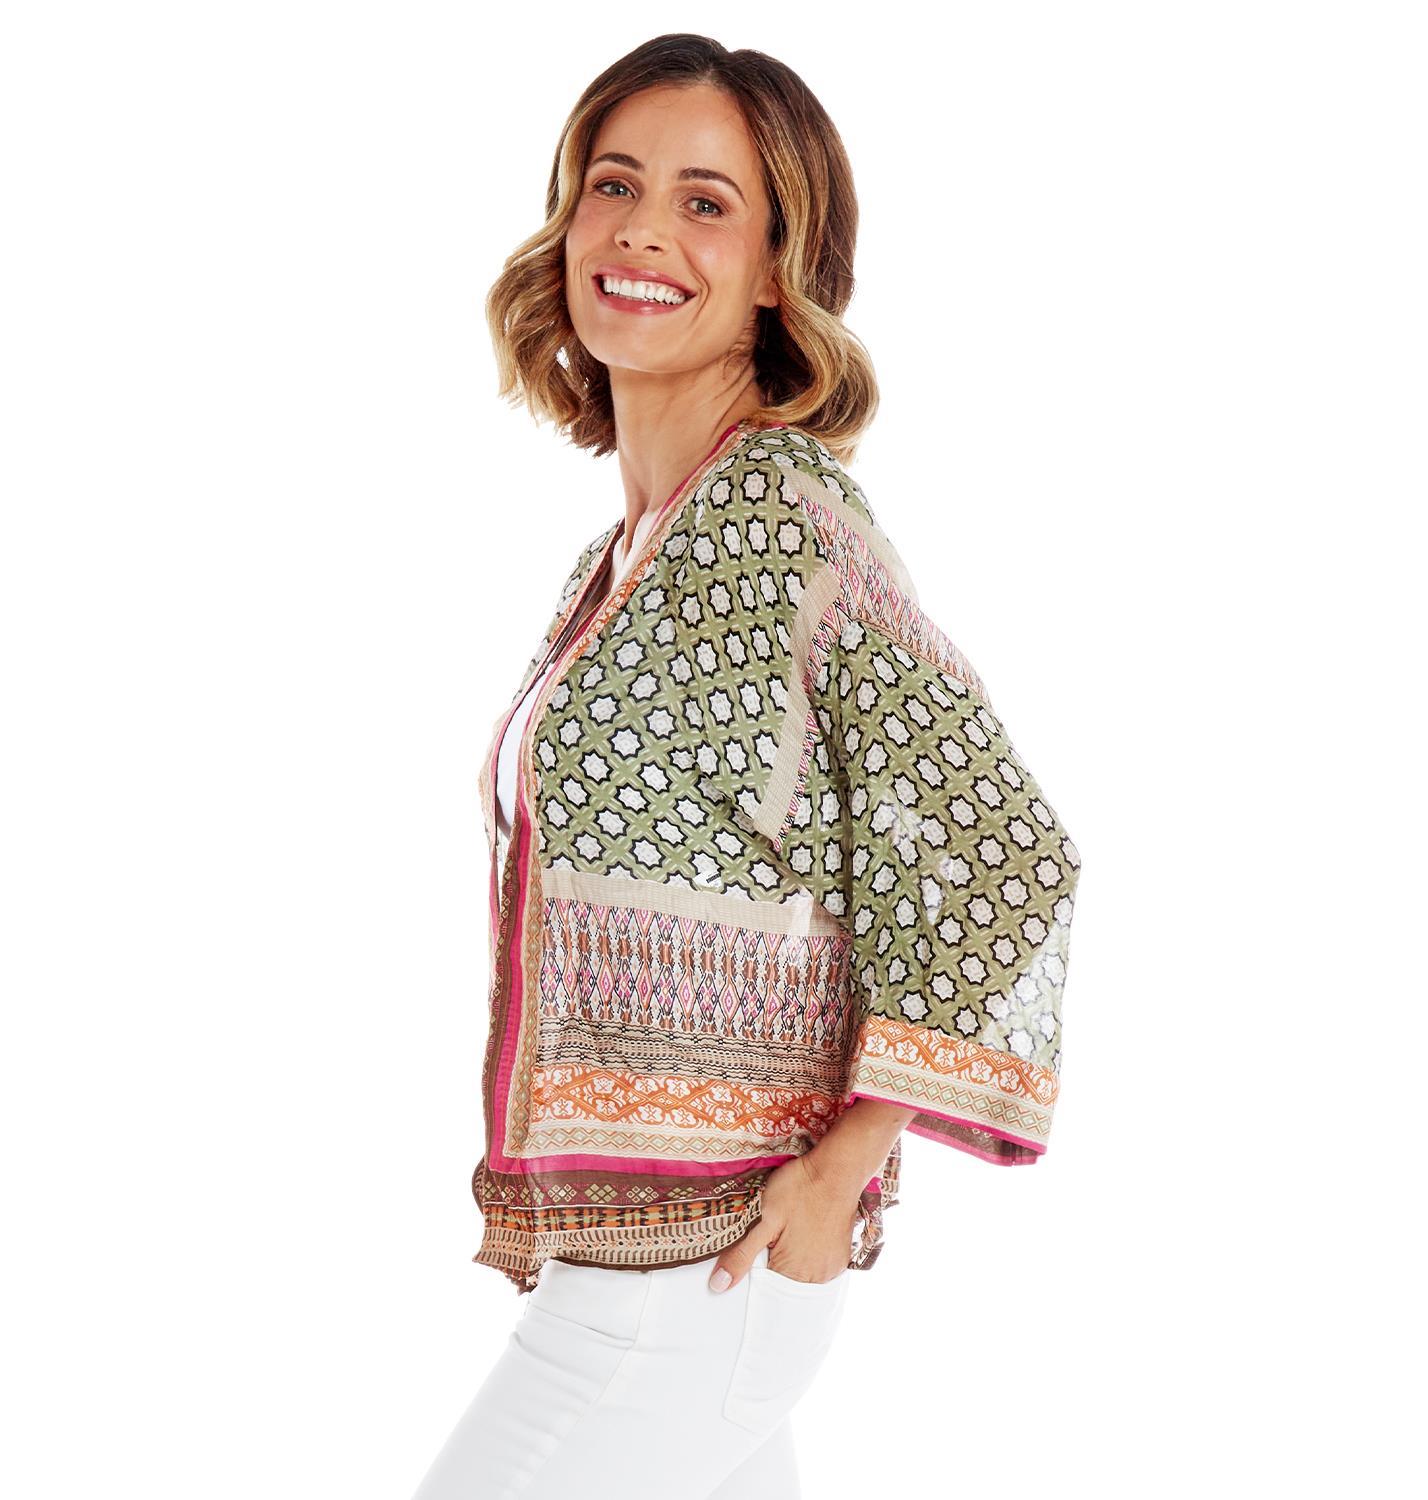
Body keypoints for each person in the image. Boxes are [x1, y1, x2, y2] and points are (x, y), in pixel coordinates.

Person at [409, 32, 1081, 1500]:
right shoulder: (627, 554)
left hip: (691, 1279)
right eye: (613, 185)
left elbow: (1005, 851)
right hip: (646, 1268)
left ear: (780, 268)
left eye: (705, 203)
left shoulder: (781, 524)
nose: (643, 230)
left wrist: (847, 1165)